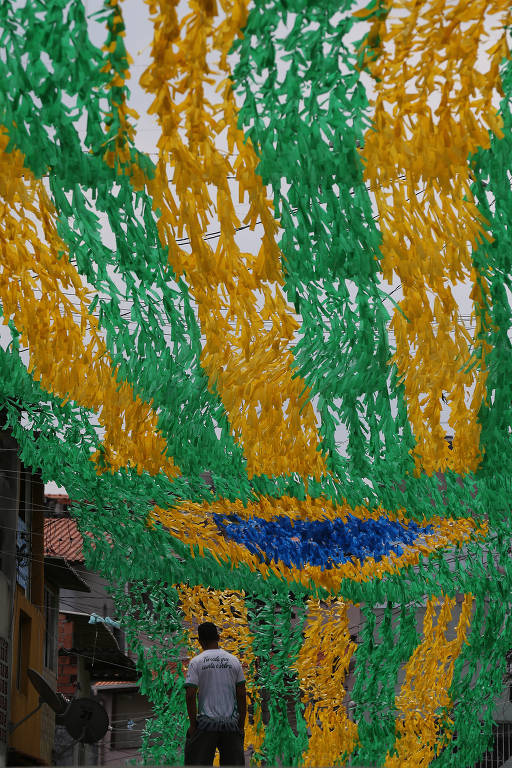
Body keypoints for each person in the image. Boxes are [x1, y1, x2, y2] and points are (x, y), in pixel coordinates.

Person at [184, 621, 247, 766]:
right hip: (231, 725)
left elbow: (190, 695)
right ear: (218, 638)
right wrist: (241, 724)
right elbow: (242, 694)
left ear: (199, 641)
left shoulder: (196, 662)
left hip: (205, 725)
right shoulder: (233, 661)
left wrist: (193, 725)